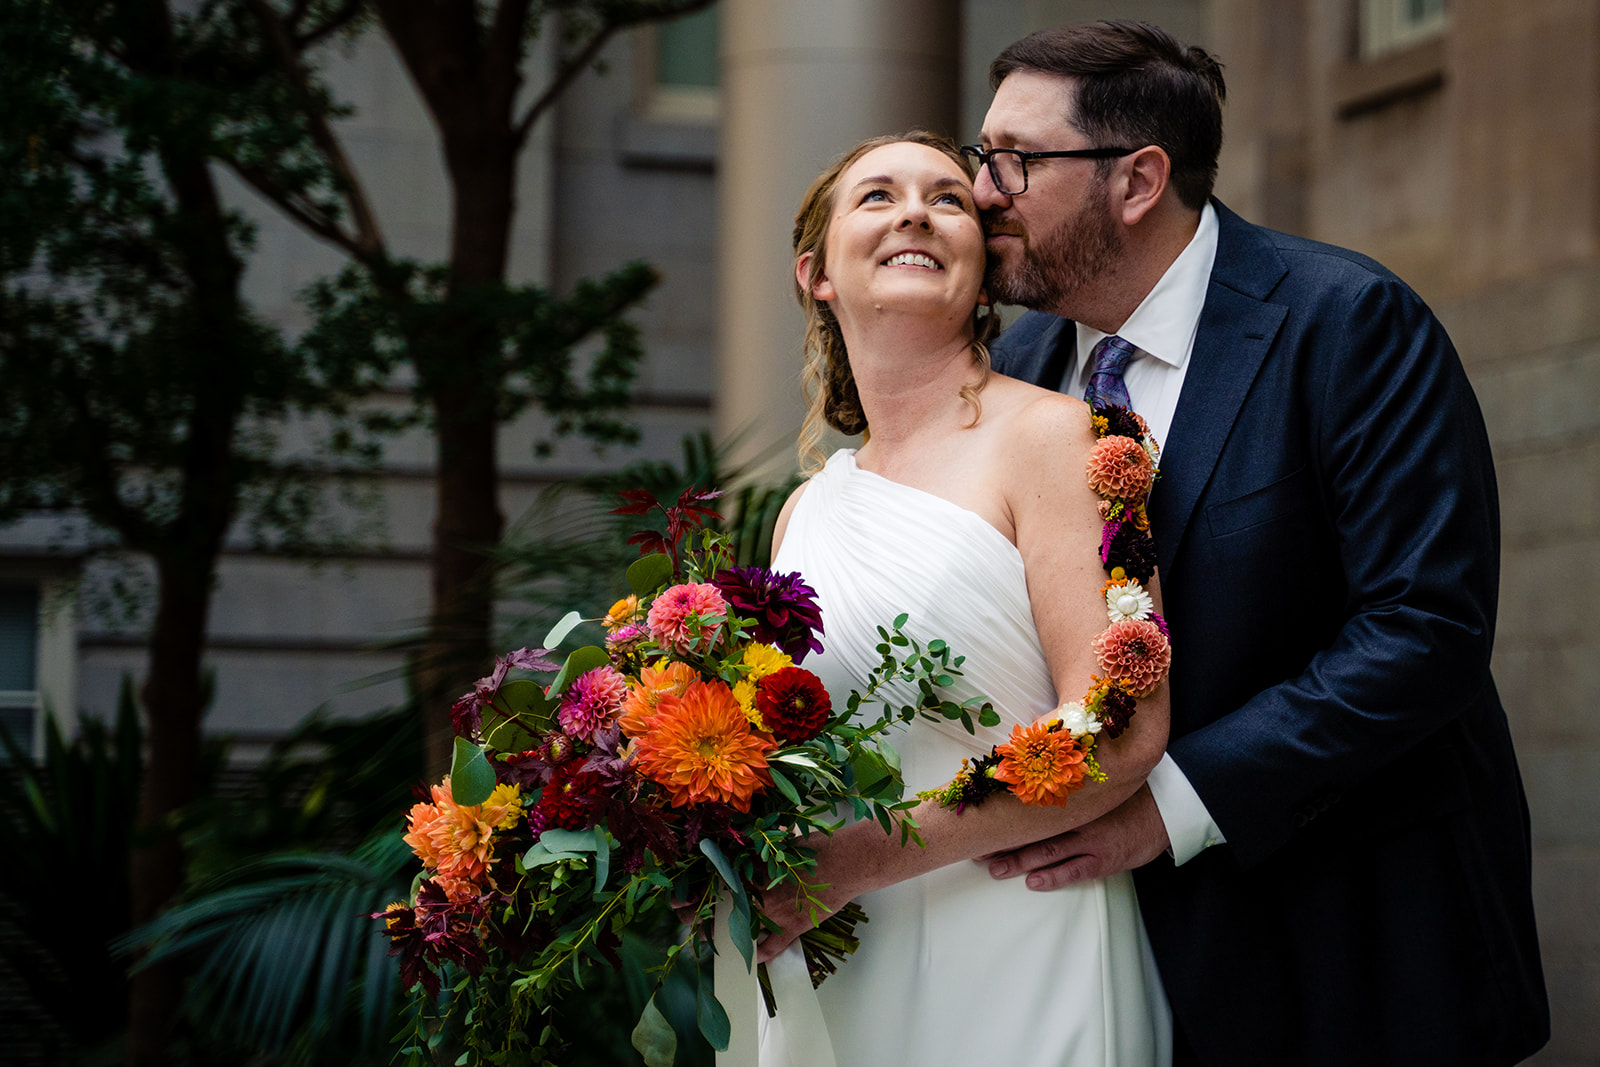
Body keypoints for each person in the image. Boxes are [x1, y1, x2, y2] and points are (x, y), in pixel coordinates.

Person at [971, 20, 1549, 1066]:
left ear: (1137, 179)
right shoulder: (1017, 359)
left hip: (1352, 950)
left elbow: (1423, 630)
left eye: (1014, 160)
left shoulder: (1348, 321)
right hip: (1096, 965)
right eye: (982, 157)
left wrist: (1168, 805)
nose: (980, 192)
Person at [752, 131, 1172, 1066]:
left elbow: (1119, 726)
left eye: (947, 198)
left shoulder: (1060, 439)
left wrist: (860, 858)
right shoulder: (804, 513)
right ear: (814, 274)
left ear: (983, 271)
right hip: (840, 948)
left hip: (1020, 938)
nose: (914, 211)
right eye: (878, 197)